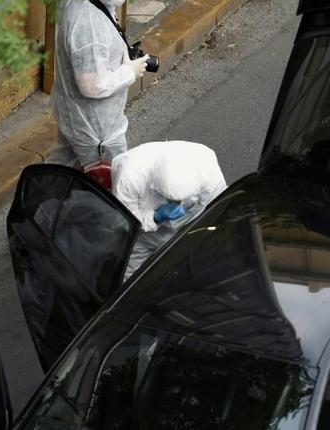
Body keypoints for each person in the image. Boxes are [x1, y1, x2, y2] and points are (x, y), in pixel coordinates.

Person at [49, 0, 149, 169]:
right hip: (97, 131)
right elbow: (93, 84)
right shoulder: (89, 23)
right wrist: (129, 72)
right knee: (112, 186)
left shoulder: (79, 4)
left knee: (61, 173)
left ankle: (40, 193)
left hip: (75, 117)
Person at [112, 141, 227, 280]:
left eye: (181, 201)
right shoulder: (129, 176)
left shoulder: (208, 171)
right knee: (129, 278)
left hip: (184, 232)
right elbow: (125, 222)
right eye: (168, 199)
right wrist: (155, 217)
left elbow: (215, 210)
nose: (176, 205)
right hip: (142, 238)